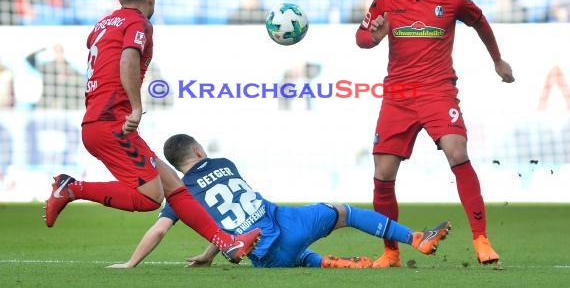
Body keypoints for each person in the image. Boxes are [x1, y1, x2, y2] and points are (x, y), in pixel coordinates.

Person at [43, 0, 260, 264]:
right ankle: (72, 188)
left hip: (100, 121)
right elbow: (128, 56)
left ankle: (229, 244)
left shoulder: (103, 24)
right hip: (113, 124)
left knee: (175, 187)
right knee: (148, 198)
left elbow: (103, 58)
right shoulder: (138, 22)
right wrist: (135, 106)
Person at [354, 0, 515, 267]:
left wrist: (497, 60)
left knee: (457, 151)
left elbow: (480, 23)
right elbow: (361, 38)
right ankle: (391, 252)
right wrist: (375, 35)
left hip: (438, 91)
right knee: (382, 173)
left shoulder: (453, 0)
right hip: (397, 95)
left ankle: (482, 240)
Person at [108, 134, 451, 269]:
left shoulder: (181, 195)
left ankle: (352, 264)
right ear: (199, 151)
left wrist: (130, 264)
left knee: (295, 257)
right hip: (282, 223)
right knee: (343, 212)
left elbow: (164, 229)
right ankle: (416, 240)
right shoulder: (224, 164)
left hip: (263, 254)